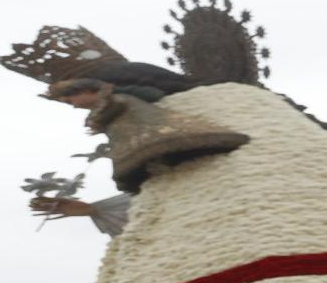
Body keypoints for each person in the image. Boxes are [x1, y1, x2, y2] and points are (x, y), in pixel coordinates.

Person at [44, 77, 249, 195]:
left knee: (166, 147)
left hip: (149, 131)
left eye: (71, 99)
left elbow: (122, 104)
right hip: (129, 140)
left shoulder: (114, 98)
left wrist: (99, 120)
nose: (72, 104)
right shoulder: (100, 109)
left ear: (86, 91)